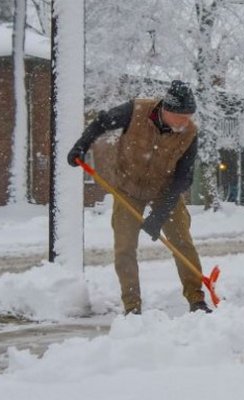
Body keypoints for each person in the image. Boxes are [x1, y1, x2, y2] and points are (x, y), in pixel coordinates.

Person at [67, 80, 212, 315]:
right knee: (125, 247)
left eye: (189, 117)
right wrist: (81, 146)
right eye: (181, 117)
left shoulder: (190, 133)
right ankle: (132, 306)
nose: (185, 122)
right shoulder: (135, 111)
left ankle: (196, 299)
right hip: (128, 187)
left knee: (182, 243)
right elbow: (102, 122)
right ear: (167, 110)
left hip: (165, 190)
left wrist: (160, 213)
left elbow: (184, 178)